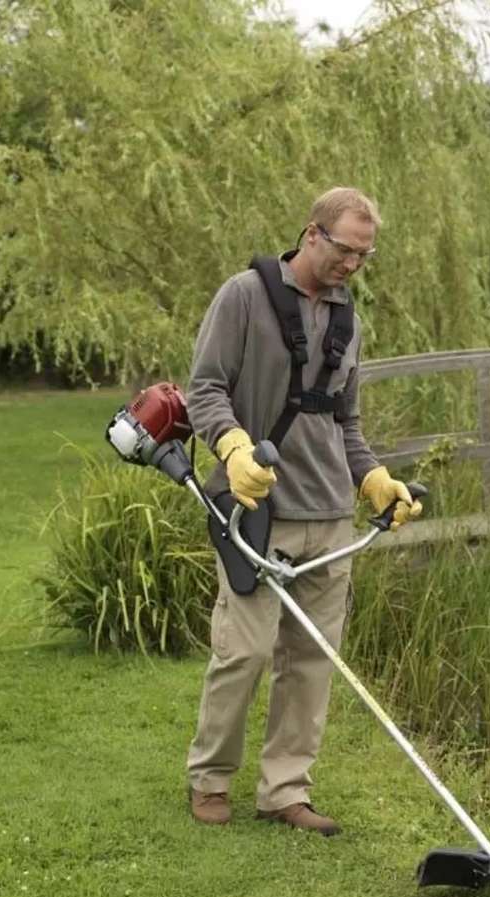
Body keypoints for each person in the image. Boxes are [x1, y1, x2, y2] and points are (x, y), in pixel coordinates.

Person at [185, 187, 422, 835]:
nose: (353, 264)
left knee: (311, 661)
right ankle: (210, 779)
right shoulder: (244, 296)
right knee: (247, 649)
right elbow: (203, 388)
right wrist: (232, 447)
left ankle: (285, 790)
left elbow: (345, 421)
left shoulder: (348, 319)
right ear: (311, 234)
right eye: (346, 250)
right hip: (254, 508)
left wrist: (372, 478)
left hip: (328, 513)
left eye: (365, 256)